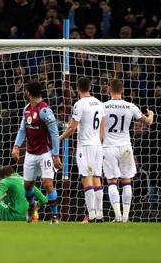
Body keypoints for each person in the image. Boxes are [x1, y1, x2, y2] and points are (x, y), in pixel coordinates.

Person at [103, 79, 154, 222]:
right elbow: (148, 122)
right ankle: (125, 218)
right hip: (125, 146)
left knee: (111, 181)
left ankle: (117, 216)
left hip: (109, 147)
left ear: (109, 90)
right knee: (127, 181)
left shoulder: (103, 106)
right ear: (122, 90)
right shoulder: (130, 106)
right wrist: (151, 114)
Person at [12, 80, 61, 224]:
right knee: (27, 186)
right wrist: (16, 146)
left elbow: (54, 133)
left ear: (28, 92)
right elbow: (22, 130)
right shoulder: (26, 109)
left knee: (47, 183)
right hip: (30, 153)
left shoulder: (45, 111)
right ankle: (32, 206)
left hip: (44, 153)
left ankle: (55, 216)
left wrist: (55, 155)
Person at [59, 77, 106, 222]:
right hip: (98, 145)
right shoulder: (99, 103)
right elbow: (102, 127)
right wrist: (100, 142)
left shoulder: (79, 104)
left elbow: (72, 127)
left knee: (87, 178)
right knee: (97, 178)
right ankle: (100, 214)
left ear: (78, 88)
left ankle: (91, 215)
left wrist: (59, 139)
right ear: (90, 87)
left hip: (85, 146)